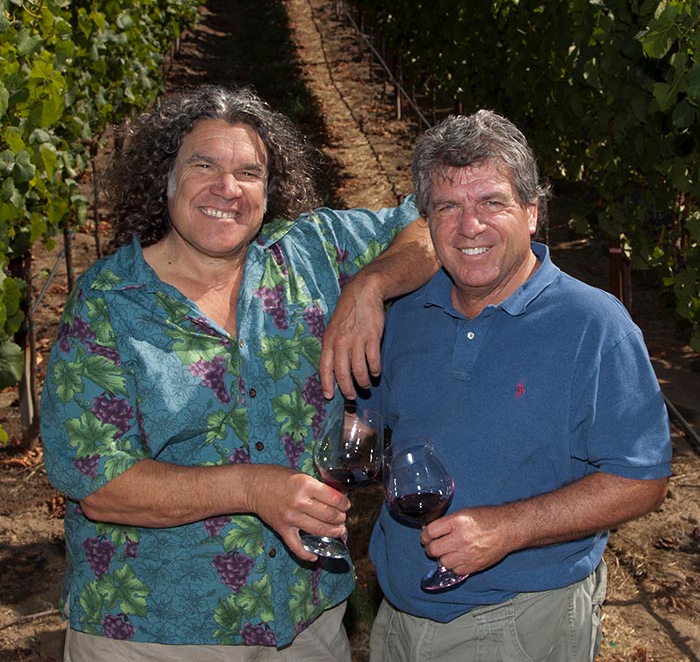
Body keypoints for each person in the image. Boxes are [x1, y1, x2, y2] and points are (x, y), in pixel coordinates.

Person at [39, 84, 437, 661]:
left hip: (306, 619)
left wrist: (370, 285)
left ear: (268, 192)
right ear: (166, 178)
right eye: (203, 165)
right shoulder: (108, 302)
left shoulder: (311, 253)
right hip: (155, 632)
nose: (227, 188)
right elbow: (98, 485)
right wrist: (255, 488)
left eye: (249, 173)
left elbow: (426, 223)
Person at [362, 110, 672, 661]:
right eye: (448, 207)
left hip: (521, 622)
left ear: (531, 212)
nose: (469, 226)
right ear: (426, 222)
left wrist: (509, 528)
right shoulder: (405, 316)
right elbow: (370, 427)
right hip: (399, 620)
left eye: (492, 202)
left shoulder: (594, 325)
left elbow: (641, 478)